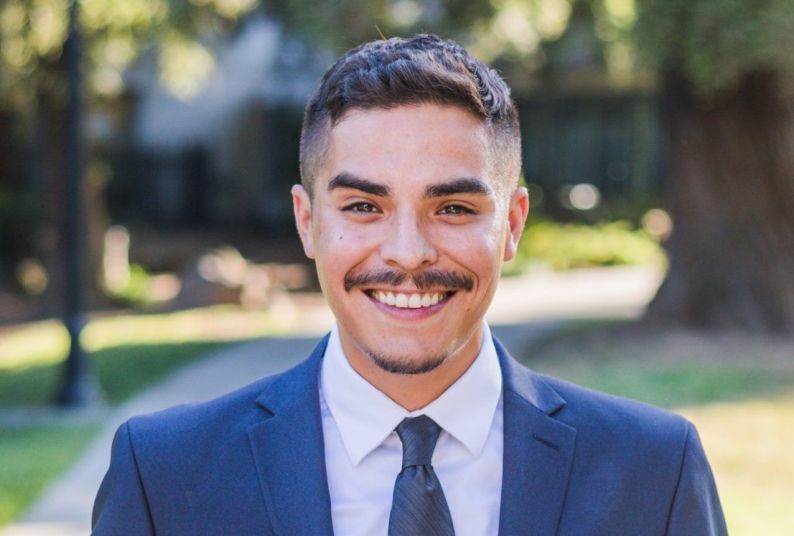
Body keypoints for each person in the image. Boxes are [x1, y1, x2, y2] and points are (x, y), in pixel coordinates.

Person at [92, 34, 727, 535]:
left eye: (452, 208)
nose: (407, 254)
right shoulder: (164, 476)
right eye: (364, 207)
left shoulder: (655, 472)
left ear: (511, 224)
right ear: (307, 222)